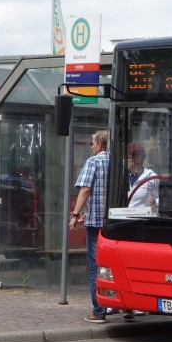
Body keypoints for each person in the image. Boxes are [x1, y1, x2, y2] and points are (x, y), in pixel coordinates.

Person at [69, 130, 110, 323]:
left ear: (100, 145)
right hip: (114, 222)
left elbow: (85, 189)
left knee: (95, 267)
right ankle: (122, 307)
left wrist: (75, 215)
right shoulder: (118, 162)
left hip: (96, 225)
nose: (91, 146)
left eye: (92, 143)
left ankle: (98, 311)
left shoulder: (93, 162)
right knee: (112, 266)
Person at [125, 143, 159, 212]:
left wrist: (155, 203)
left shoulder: (151, 177)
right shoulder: (121, 177)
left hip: (142, 221)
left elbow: (160, 200)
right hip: (124, 221)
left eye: (128, 158)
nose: (124, 161)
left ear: (138, 159)